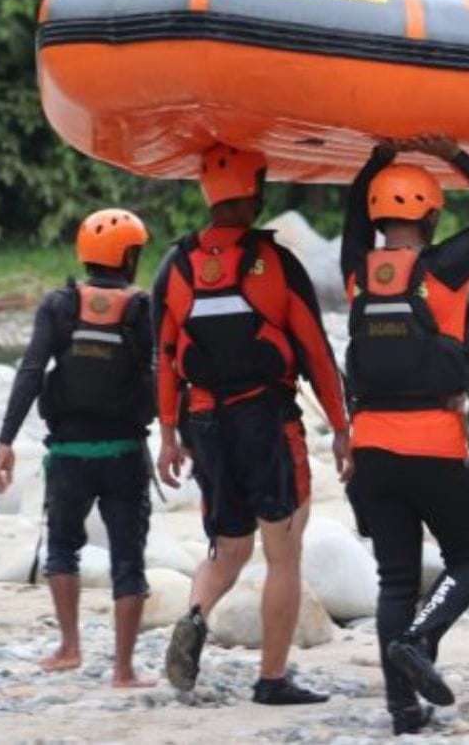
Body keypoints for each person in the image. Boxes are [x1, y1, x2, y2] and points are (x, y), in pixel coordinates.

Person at [154, 143, 351, 705]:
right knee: (283, 553)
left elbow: (164, 359)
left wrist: (168, 435)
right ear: (256, 192)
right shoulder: (275, 263)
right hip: (265, 422)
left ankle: (195, 612)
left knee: (227, 549)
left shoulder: (177, 265)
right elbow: (315, 350)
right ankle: (271, 680)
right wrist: (341, 427)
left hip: (205, 425)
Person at [341, 135, 469, 735]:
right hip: (435, 446)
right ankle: (420, 639)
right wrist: (454, 154)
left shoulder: (355, 274)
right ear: (432, 214)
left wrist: (374, 160)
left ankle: (403, 711)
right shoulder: (443, 270)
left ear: (374, 215)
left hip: (370, 449)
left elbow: (350, 214)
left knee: (395, 578)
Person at [0, 209, 156, 688]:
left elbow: (31, 371)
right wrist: (180, 438)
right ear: (128, 256)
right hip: (125, 452)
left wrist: (6, 440)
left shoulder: (59, 305)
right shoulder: (143, 308)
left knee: (62, 547)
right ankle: (123, 669)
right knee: (129, 557)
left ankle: (69, 647)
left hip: (68, 454)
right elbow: (163, 374)